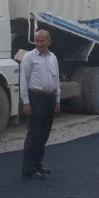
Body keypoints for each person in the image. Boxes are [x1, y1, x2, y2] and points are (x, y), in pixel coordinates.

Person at [20, 30, 61, 180]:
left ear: (49, 41)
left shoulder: (53, 58)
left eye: (42, 41)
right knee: (34, 134)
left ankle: (38, 164)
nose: (38, 44)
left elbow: (56, 79)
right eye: (36, 41)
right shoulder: (29, 57)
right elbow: (23, 80)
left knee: (44, 134)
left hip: (50, 98)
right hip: (36, 97)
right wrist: (26, 102)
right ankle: (28, 169)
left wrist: (57, 100)